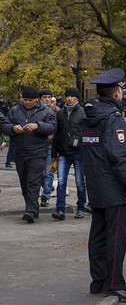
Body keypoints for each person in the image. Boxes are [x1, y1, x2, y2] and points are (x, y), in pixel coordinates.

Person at [81, 68, 126, 302]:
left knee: (97, 235)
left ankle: (98, 281)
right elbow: (118, 155)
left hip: (94, 182)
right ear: (116, 94)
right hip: (112, 185)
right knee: (116, 237)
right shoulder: (114, 118)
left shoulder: (88, 116)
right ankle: (114, 284)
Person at [1, 87, 56, 222]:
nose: (27, 102)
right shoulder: (15, 110)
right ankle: (33, 209)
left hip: (38, 152)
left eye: (30, 100)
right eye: (25, 100)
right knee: (24, 183)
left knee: (33, 182)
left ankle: (30, 211)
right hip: (20, 152)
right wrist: (13, 128)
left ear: (36, 99)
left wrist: (38, 126)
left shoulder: (46, 111)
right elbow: (5, 125)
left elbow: (52, 127)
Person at [51, 87, 87, 220]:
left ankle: (81, 207)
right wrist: (54, 152)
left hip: (78, 152)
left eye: (72, 96)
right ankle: (60, 210)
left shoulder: (82, 113)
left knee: (80, 182)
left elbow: (85, 133)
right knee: (61, 182)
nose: (69, 98)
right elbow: (57, 133)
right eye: (67, 96)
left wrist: (80, 144)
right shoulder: (61, 113)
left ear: (77, 98)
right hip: (63, 152)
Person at [38, 88, 59, 208]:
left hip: (52, 145)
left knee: (49, 171)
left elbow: (58, 128)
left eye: (49, 97)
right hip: (39, 145)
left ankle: (45, 195)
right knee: (39, 173)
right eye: (44, 97)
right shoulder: (36, 111)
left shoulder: (57, 111)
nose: (47, 99)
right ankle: (49, 187)